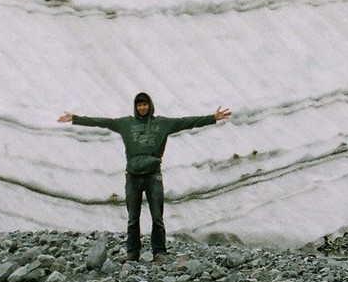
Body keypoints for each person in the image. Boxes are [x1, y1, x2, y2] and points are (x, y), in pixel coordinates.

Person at [58, 93, 232, 261]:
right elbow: (103, 122)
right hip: (133, 177)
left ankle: (159, 252)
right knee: (133, 218)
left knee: (157, 216)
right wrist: (75, 118)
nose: (142, 107)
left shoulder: (163, 123)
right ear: (136, 107)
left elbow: (186, 122)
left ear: (150, 106)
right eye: (139, 105)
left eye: (145, 104)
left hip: (153, 176)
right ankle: (132, 253)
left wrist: (213, 117)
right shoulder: (125, 124)